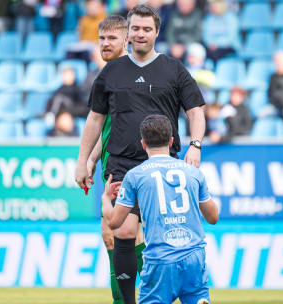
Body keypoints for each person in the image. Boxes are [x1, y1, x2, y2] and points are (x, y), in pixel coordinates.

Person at [75, 5, 206, 303]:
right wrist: (84, 160)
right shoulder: (111, 72)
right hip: (121, 164)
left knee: (165, 238)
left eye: (147, 29)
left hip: (162, 163)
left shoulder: (174, 69)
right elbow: (95, 118)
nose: (140, 34)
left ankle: (168, 292)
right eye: (135, 28)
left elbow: (196, 111)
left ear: (157, 32)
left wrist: (195, 146)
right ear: (129, 33)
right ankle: (127, 302)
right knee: (121, 230)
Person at [102, 114, 218, 304]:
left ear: (142, 143)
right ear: (172, 141)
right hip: (194, 257)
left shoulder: (135, 175)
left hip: (160, 259)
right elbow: (213, 217)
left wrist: (106, 199)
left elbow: (114, 222)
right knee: (196, 296)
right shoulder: (193, 173)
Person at [84, 15, 145, 304]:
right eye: (102, 39)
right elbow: (101, 123)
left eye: (112, 39)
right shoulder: (106, 77)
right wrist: (90, 159)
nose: (105, 44)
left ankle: (150, 293)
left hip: (136, 164)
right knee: (111, 235)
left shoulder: (137, 73)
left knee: (130, 235)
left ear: (126, 40)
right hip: (111, 164)